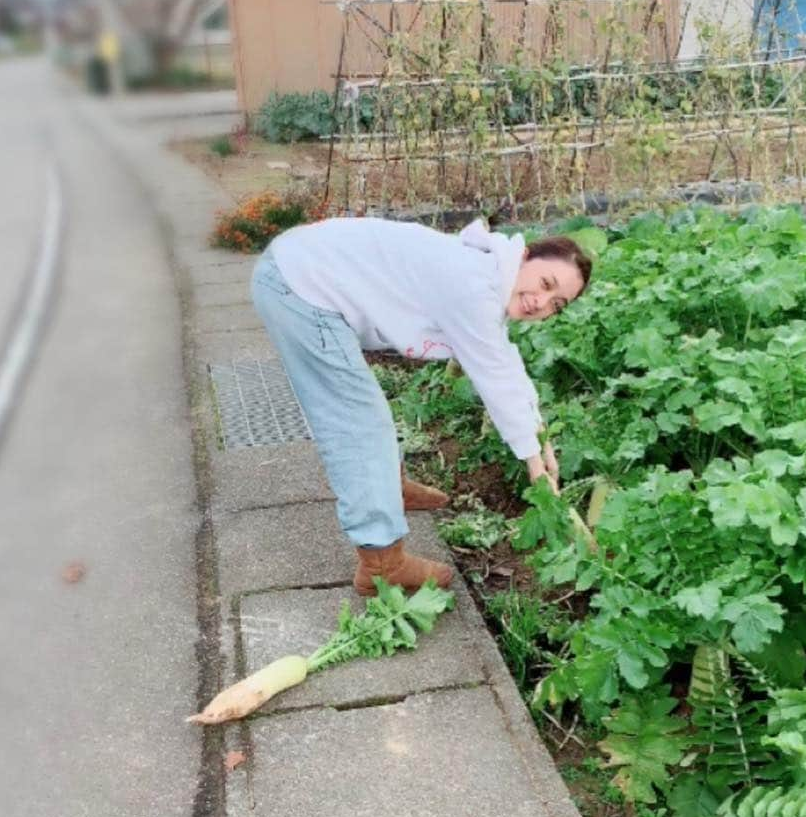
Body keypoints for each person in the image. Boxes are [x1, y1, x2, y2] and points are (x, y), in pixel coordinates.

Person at [250, 216, 591, 597]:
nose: (541, 302)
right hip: (299, 286)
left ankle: (389, 489)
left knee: (367, 412)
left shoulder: (487, 274)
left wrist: (541, 442)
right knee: (357, 423)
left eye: (556, 305)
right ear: (525, 256)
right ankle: (382, 563)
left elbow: (506, 365)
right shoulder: (472, 286)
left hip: (302, 268)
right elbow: (494, 377)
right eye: (545, 284)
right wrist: (533, 463)